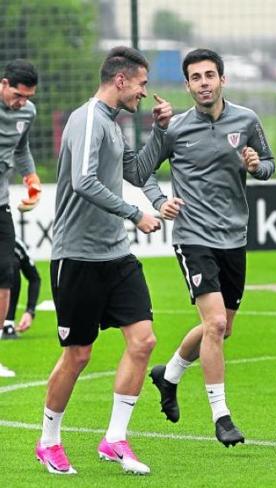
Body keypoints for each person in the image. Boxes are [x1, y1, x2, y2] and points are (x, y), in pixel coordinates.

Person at [35, 46, 173, 475]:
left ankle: (114, 439)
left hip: (116, 255)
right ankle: (49, 441)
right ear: (121, 80)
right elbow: (83, 180)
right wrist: (136, 213)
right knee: (78, 355)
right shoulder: (89, 117)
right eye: (142, 84)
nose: (145, 94)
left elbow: (135, 172)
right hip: (77, 257)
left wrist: (160, 134)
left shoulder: (116, 124)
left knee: (144, 341)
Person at [143, 48, 275, 447]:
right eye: (195, 77)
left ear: (222, 79)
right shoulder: (174, 128)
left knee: (221, 327)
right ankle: (222, 417)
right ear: (187, 85)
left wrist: (256, 166)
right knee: (215, 323)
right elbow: (141, 171)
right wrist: (158, 202)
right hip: (192, 237)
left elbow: (268, 164)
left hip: (233, 237)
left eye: (209, 75)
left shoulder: (247, 120)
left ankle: (169, 376)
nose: (203, 83)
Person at [0, 59, 40, 377]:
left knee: (6, 270)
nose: (22, 102)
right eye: (17, 95)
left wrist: (31, 179)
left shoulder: (28, 112)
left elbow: (21, 149)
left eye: (27, 96)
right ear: (3, 84)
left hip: (1, 204)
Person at [1, 236, 41, 339]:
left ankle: (8, 323)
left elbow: (34, 278)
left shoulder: (15, 244)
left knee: (12, 264)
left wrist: (29, 311)